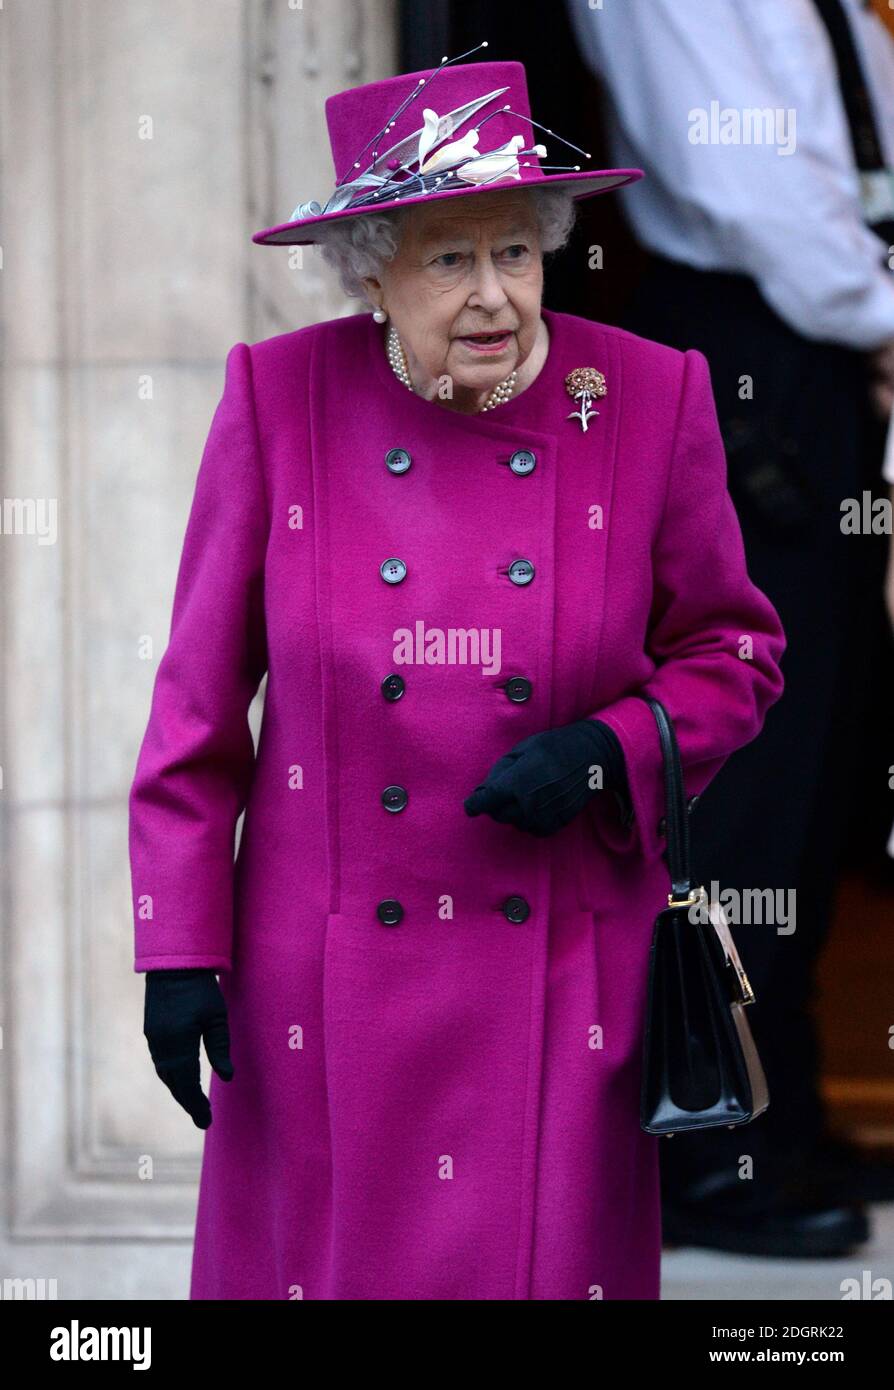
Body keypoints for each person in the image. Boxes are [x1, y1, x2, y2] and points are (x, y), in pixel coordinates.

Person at [129, 49, 785, 1301]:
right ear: (369, 268)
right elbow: (198, 705)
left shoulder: (644, 396)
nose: (496, 298)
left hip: (559, 971)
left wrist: (611, 748)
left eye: (518, 252)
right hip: (325, 971)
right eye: (448, 258)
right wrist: (177, 945)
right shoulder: (281, 398)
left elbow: (737, 652)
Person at [567, 0, 894, 1257]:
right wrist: (880, 324)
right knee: (746, 765)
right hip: (753, 342)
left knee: (822, 765)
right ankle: (712, 1146)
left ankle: (782, 1109)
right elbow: (746, 178)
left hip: (834, 343)